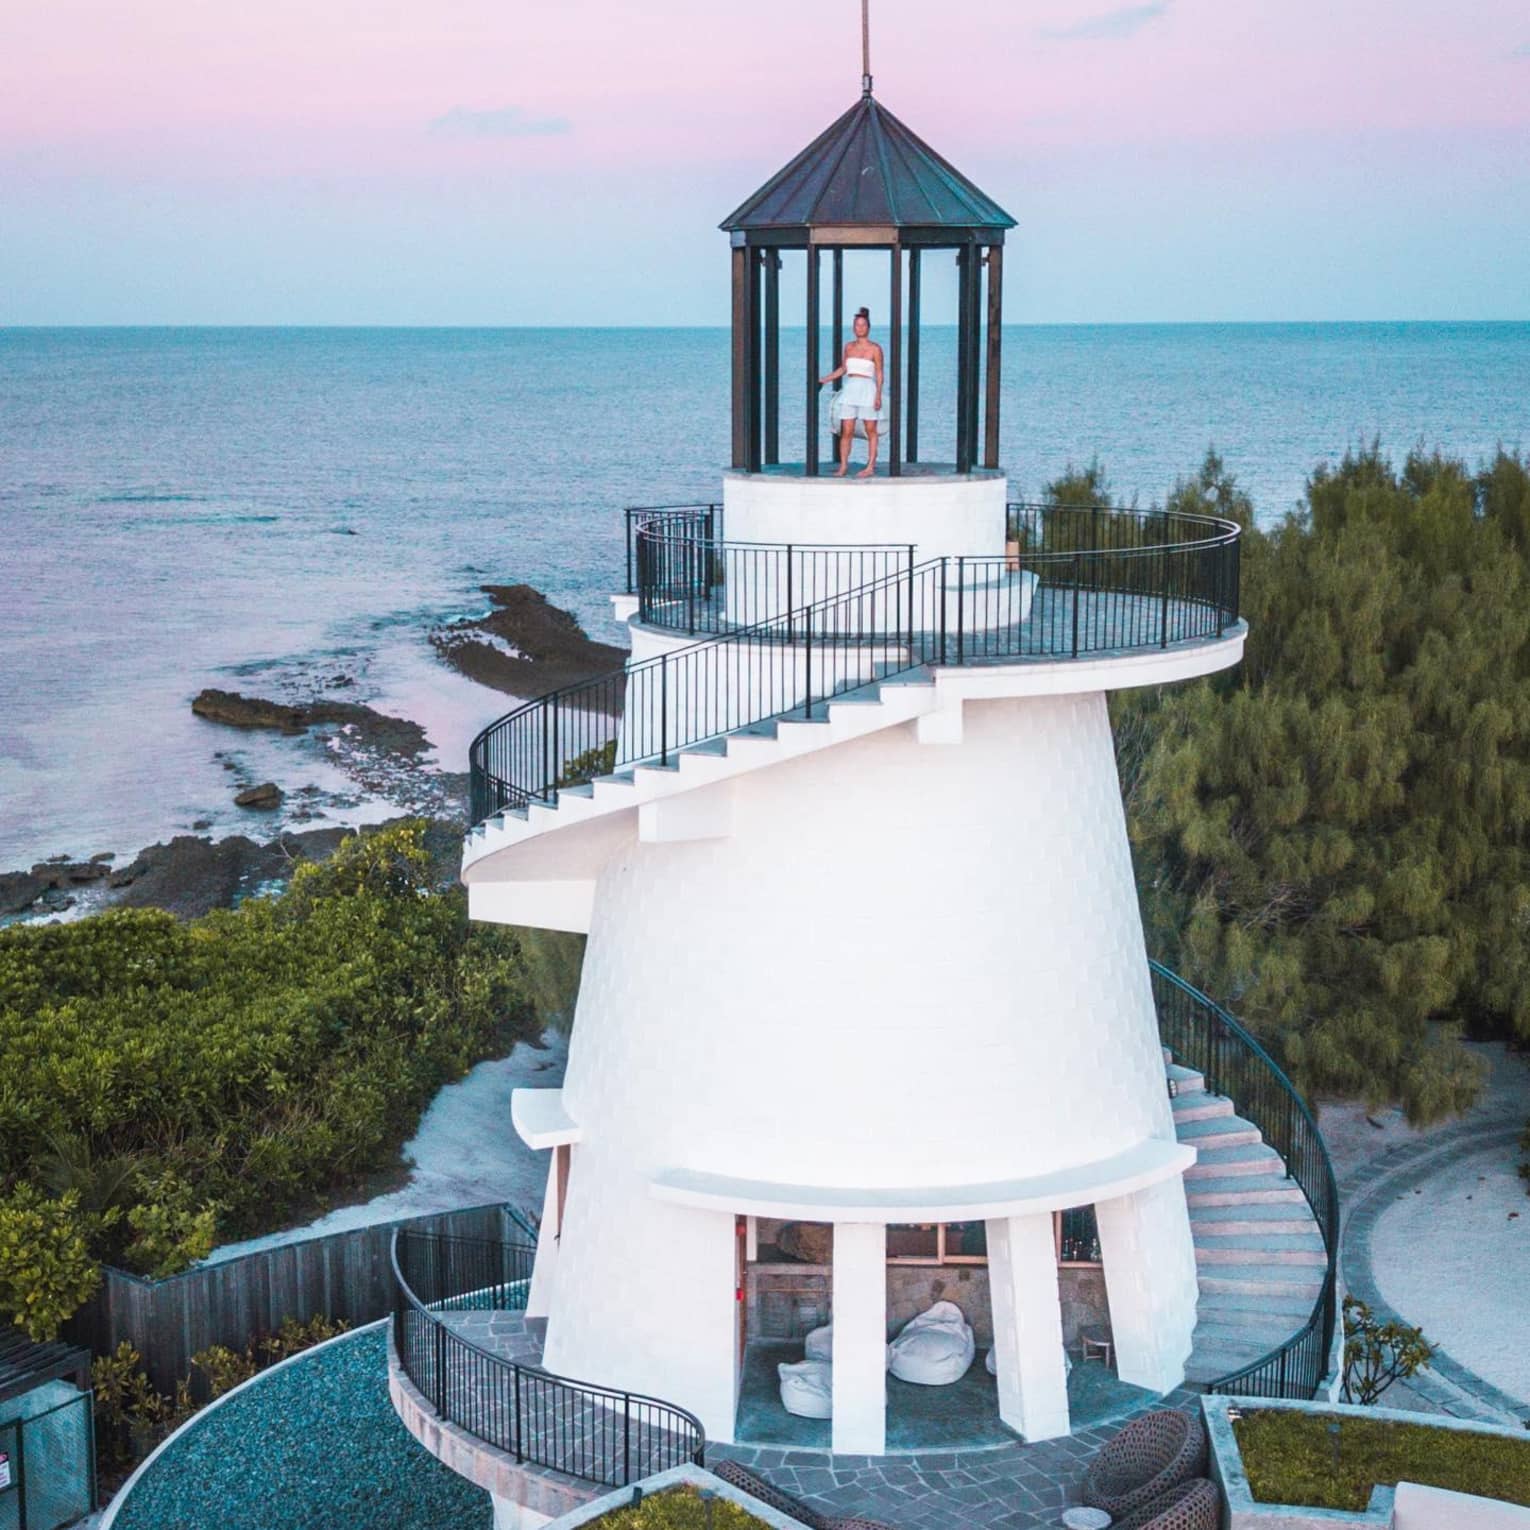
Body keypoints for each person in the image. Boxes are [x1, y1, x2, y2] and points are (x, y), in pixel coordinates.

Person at [819, 307, 886, 478]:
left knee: (870, 428)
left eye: (863, 325)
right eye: (857, 325)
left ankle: (870, 466)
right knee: (846, 429)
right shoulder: (848, 347)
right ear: (854, 328)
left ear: (868, 327)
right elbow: (843, 368)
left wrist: (878, 394)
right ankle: (843, 466)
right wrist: (824, 379)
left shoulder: (875, 349)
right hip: (851, 389)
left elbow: (879, 373)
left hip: (867, 390)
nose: (860, 328)